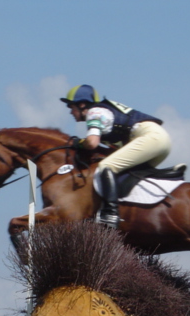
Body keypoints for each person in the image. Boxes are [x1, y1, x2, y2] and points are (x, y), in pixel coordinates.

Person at [60, 84, 172, 229]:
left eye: (71, 107)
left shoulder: (95, 113)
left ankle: (110, 214)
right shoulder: (102, 112)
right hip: (160, 141)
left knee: (106, 166)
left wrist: (79, 143)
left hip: (152, 137)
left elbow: (92, 143)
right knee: (125, 173)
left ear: (82, 105)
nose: (70, 112)